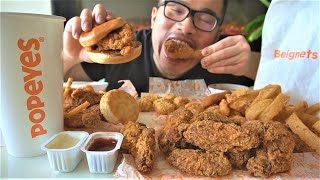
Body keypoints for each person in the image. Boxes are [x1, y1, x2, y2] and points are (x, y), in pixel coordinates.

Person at [63, 0, 260, 94]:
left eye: (205, 19)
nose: (186, 26)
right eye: (175, 10)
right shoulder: (121, 51)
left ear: (218, 34)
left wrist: (253, 64)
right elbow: (59, 78)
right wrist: (70, 56)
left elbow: (287, 81)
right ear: (154, 17)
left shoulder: (227, 56)